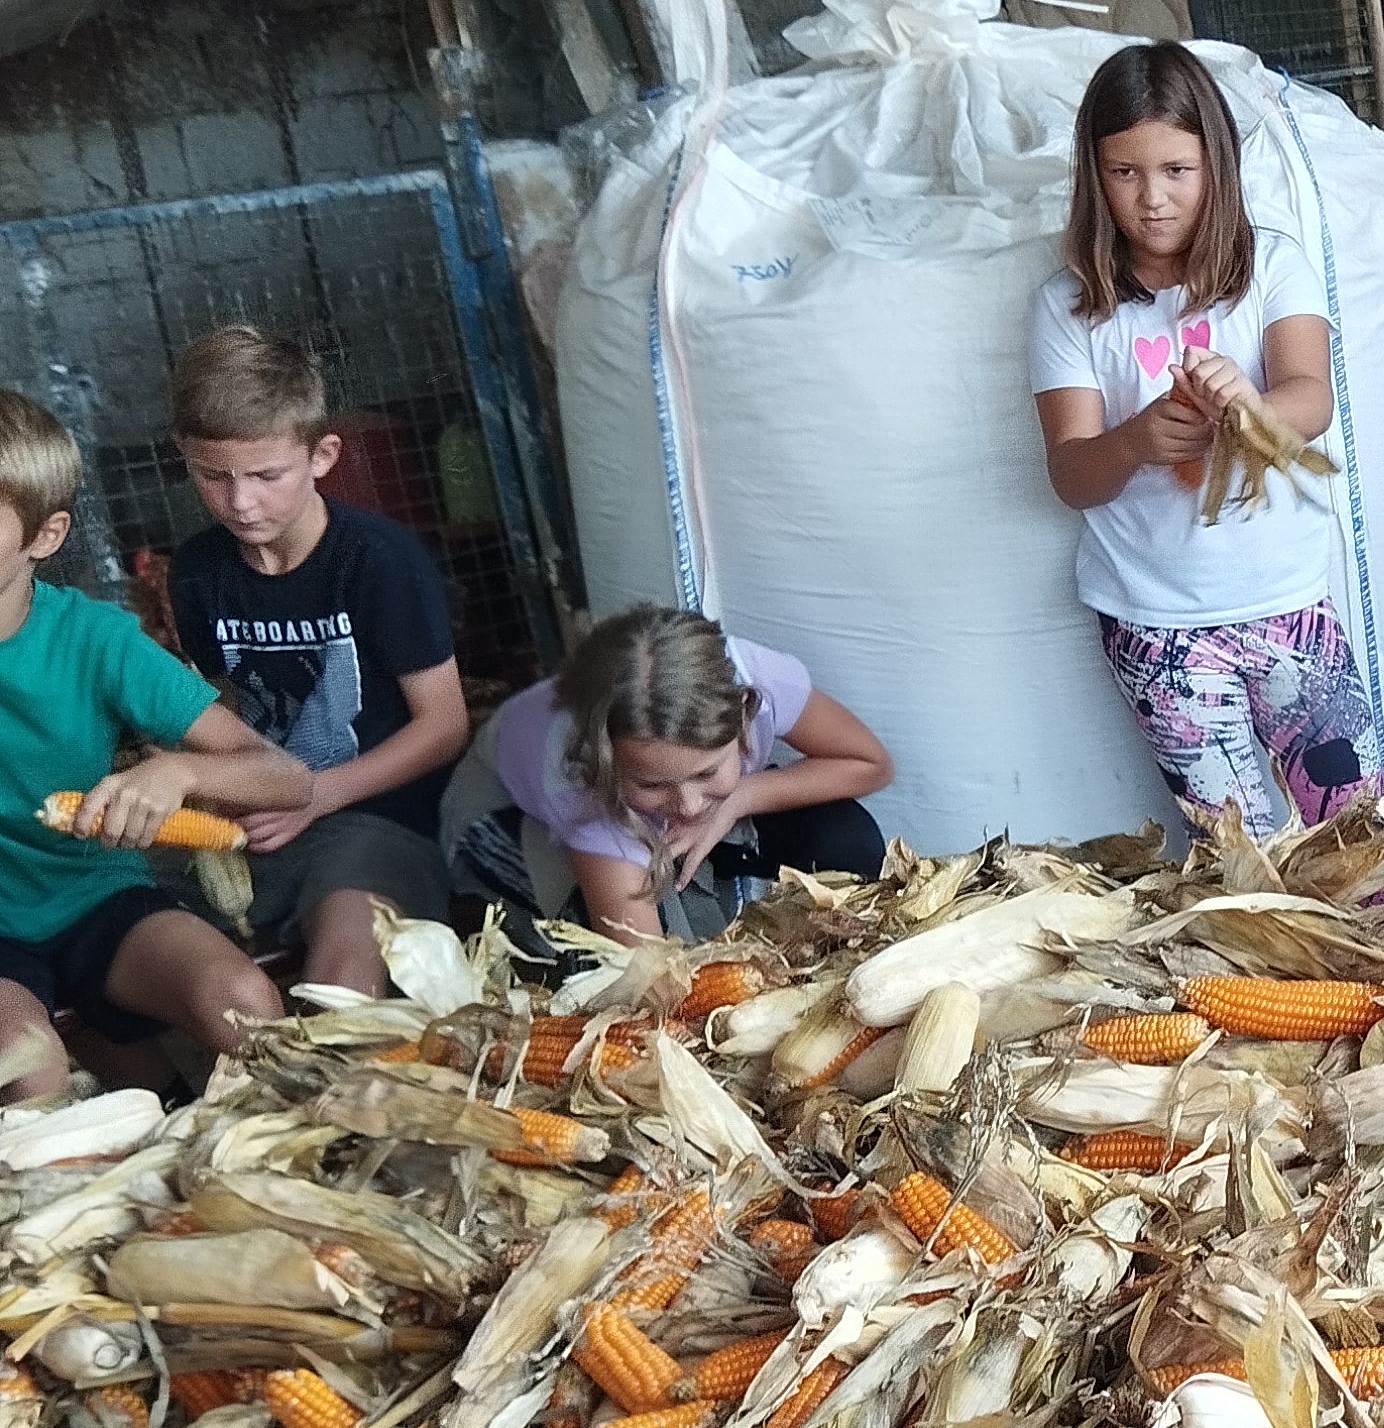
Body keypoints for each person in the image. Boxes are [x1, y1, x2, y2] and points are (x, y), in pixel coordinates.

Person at [1032, 39, 1380, 835]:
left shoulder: (1272, 268)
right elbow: (1072, 474)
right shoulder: (1069, 305)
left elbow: (1311, 400)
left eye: (1176, 172)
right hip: (1157, 627)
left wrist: (1246, 403)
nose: (1151, 198)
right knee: (1239, 856)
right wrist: (1139, 441)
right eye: (1125, 174)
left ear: (1214, 165)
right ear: (1095, 176)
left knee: (1356, 834)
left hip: (1292, 607)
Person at [0, 390, 309, 1098]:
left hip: (94, 895)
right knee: (29, 1069)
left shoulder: (96, 639)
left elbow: (288, 779)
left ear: (44, 537)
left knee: (246, 1001)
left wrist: (174, 773)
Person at [161, 326, 467, 999]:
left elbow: (445, 725)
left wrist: (315, 795)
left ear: (322, 454)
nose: (241, 501)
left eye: (267, 476)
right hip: (256, 822)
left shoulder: (380, 560)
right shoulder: (198, 572)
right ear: (183, 454)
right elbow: (228, 710)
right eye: (214, 476)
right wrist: (226, 792)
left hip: (374, 816)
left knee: (342, 979)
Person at [453, 607, 892, 944]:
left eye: (707, 771)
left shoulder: (759, 677)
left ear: (745, 714)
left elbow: (870, 763)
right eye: (652, 783)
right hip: (501, 814)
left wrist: (739, 797)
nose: (689, 805)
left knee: (844, 837)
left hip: (652, 796)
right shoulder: (581, 783)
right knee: (604, 946)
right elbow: (643, 967)